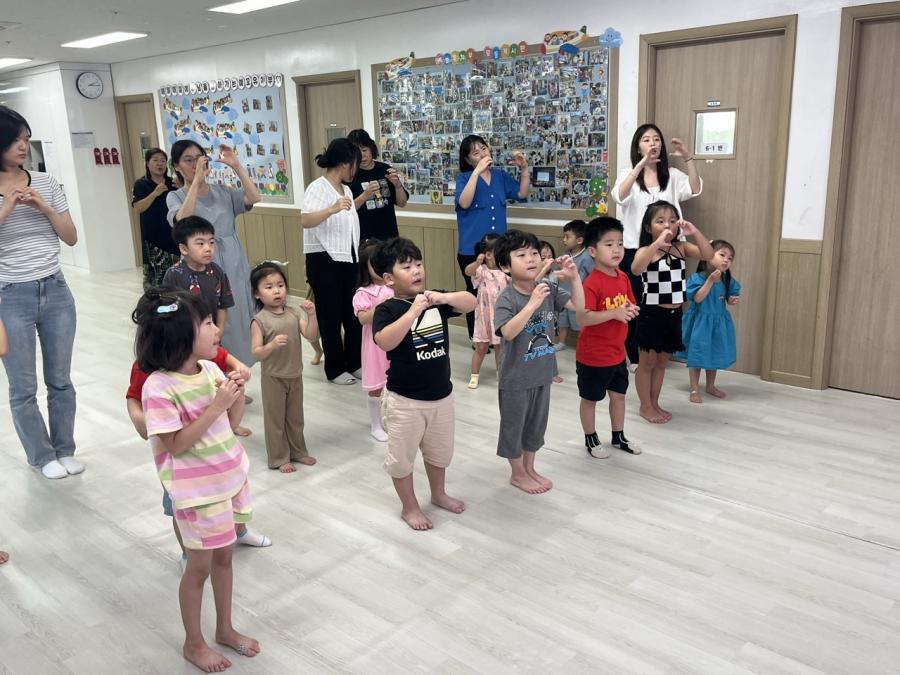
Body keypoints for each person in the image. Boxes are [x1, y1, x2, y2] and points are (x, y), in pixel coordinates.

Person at [134, 288, 260, 672]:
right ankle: (193, 643)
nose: (216, 329)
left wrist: (234, 395)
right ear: (180, 336)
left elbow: (231, 424)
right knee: (199, 567)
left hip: (227, 478)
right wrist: (217, 405)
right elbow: (175, 445)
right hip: (197, 492)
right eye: (206, 323)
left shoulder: (210, 370)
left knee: (225, 558)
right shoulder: (159, 387)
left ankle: (225, 628)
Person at [125, 340, 270, 572]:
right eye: (207, 323)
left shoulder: (205, 359)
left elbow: (225, 359)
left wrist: (238, 372)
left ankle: (239, 532)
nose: (216, 331)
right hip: (183, 466)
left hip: (215, 457)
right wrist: (144, 420)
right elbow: (134, 397)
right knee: (180, 507)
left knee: (230, 494)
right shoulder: (151, 369)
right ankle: (188, 554)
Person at [372, 237, 475, 531]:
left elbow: (471, 302)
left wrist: (443, 298)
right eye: (406, 267)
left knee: (439, 452)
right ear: (389, 279)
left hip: (441, 396)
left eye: (418, 264)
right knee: (401, 459)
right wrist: (412, 312)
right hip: (404, 400)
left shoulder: (435, 299)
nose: (416, 270)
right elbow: (385, 341)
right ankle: (410, 507)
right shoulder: (388, 309)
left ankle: (438, 494)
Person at [0, 105, 80, 479]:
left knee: (60, 380)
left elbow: (71, 236)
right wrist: (7, 207)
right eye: (16, 140)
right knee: (23, 386)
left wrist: (45, 207)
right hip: (10, 295)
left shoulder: (45, 182)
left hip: (55, 289)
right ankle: (42, 455)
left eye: (26, 139)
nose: (23, 146)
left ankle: (65, 449)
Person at [493, 230, 584, 494]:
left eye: (534, 253)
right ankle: (517, 474)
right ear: (506, 267)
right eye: (521, 255)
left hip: (542, 373)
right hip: (515, 379)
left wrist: (575, 277)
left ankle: (529, 468)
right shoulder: (507, 298)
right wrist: (532, 304)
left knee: (535, 426)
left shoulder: (548, 288)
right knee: (514, 428)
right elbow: (508, 332)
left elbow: (579, 305)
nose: (531, 258)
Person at [612, 124, 702, 367]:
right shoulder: (628, 174)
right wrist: (640, 165)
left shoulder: (671, 175)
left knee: (665, 302)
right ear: (637, 146)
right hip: (636, 250)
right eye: (646, 139)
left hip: (670, 250)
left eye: (656, 139)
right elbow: (619, 197)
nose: (653, 143)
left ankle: (660, 352)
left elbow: (694, 189)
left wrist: (688, 158)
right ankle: (635, 355)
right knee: (636, 303)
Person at [167, 139, 261, 366]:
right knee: (205, 316)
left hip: (233, 260)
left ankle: (236, 369)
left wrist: (236, 165)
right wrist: (195, 181)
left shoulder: (223, 192)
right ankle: (210, 370)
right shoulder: (175, 196)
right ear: (177, 166)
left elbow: (254, 197)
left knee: (237, 313)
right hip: (198, 266)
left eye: (198, 158)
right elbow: (182, 220)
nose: (195, 164)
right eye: (187, 160)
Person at [631, 200, 713, 424]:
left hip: (674, 314)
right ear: (648, 228)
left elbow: (708, 255)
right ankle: (645, 406)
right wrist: (657, 243)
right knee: (647, 363)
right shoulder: (645, 251)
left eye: (672, 220)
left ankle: (654, 402)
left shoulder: (681, 247)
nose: (668, 225)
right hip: (652, 313)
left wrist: (694, 232)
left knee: (661, 363)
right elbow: (636, 269)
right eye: (660, 221)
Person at [575, 218, 641, 459]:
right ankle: (590, 438)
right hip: (593, 356)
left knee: (619, 396)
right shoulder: (591, 283)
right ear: (592, 251)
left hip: (616, 353)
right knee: (590, 399)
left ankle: (618, 435)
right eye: (609, 244)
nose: (617, 250)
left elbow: (629, 302)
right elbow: (583, 318)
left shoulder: (622, 277)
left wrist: (631, 309)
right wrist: (614, 313)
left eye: (620, 244)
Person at [300, 138, 363, 385]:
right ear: (345, 163)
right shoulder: (318, 187)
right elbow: (306, 220)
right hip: (323, 259)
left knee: (353, 314)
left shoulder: (347, 190)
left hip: (348, 257)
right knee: (330, 316)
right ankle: (335, 369)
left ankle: (354, 363)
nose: (356, 169)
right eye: (355, 163)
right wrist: (331, 209)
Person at [454, 134, 529, 338]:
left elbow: (521, 194)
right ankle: (477, 337)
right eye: (475, 153)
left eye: (484, 149)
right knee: (475, 294)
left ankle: (499, 334)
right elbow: (464, 203)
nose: (482, 154)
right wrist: (476, 173)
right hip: (471, 250)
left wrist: (524, 169)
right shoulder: (464, 178)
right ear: (468, 159)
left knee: (502, 291)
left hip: (500, 249)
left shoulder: (500, 176)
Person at [249, 261, 319, 472]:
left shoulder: (293, 313)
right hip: (273, 377)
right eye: (268, 287)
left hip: (295, 374)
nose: (276, 291)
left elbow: (311, 335)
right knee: (275, 420)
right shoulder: (259, 320)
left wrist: (312, 315)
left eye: (280, 285)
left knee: (296, 418)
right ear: (257, 294)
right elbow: (256, 352)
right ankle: (279, 458)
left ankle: (298, 451)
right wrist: (271, 345)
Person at [677, 240, 741, 403]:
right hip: (700, 323)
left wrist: (732, 299)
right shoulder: (697, 278)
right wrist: (710, 280)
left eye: (730, 258)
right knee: (697, 354)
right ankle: (694, 388)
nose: (726, 260)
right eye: (722, 255)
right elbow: (698, 298)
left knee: (713, 353)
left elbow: (730, 297)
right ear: (706, 256)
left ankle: (710, 386)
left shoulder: (726, 279)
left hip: (718, 323)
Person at [352, 239, 393, 441]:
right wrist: (380, 306)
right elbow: (362, 319)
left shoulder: (394, 285)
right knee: (376, 387)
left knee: (396, 382)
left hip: (396, 341)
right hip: (375, 346)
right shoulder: (364, 293)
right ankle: (376, 425)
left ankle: (394, 420)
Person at [346, 129, 408, 240]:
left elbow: (402, 203)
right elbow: (346, 210)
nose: (362, 156)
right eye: (357, 152)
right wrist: (365, 195)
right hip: (363, 240)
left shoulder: (385, 169)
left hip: (390, 238)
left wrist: (398, 186)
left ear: (371, 148)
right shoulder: (349, 175)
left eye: (364, 150)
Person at [463, 233, 506, 389]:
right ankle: (474, 375)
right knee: (481, 347)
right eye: (499, 250)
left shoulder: (505, 270)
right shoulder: (481, 270)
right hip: (483, 315)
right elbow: (468, 271)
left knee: (500, 347)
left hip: (501, 315)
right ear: (488, 254)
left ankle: (501, 373)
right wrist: (477, 263)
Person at [132, 147, 178, 288]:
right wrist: (154, 194)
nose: (160, 164)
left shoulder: (173, 183)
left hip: (174, 236)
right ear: (147, 163)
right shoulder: (141, 184)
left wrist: (182, 187)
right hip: (153, 240)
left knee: (176, 279)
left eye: (163, 161)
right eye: (155, 160)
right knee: (155, 281)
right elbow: (138, 208)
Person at [556, 220, 594, 349]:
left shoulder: (586, 257)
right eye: (564, 236)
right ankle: (561, 342)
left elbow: (592, 275)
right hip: (563, 294)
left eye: (567, 237)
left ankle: (584, 344)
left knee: (578, 321)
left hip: (578, 297)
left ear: (579, 240)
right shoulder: (566, 254)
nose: (564, 240)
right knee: (562, 319)